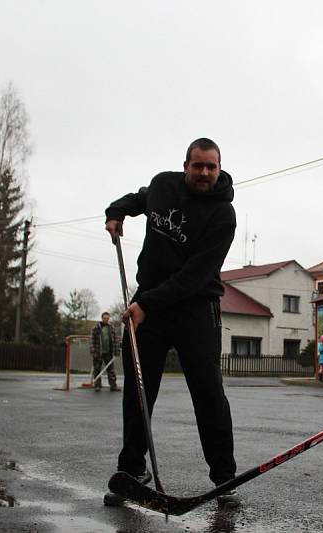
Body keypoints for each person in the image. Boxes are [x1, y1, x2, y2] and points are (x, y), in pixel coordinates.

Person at [103, 138, 239, 505]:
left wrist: (147, 302)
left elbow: (195, 275)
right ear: (186, 166)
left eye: (212, 167)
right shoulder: (163, 185)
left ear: (219, 168)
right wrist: (115, 212)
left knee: (208, 393)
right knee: (138, 390)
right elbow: (137, 199)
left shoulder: (223, 215)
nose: (205, 173)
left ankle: (224, 478)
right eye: (198, 166)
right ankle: (131, 470)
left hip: (196, 307)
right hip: (150, 304)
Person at [90, 311, 120, 391]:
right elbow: (92, 340)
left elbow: (115, 340)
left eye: (107, 318)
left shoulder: (111, 328)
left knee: (111, 370)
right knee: (97, 369)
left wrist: (116, 352)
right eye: (104, 318)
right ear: (102, 318)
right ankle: (97, 385)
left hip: (109, 352)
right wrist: (93, 352)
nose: (106, 319)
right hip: (98, 352)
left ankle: (113, 386)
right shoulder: (96, 328)